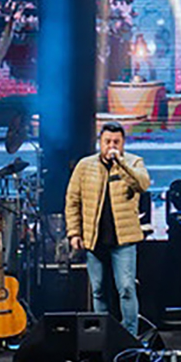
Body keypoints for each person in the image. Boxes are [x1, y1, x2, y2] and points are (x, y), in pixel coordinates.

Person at [65, 121, 151, 336]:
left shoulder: (133, 163)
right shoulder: (85, 166)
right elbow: (73, 201)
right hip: (94, 239)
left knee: (127, 289)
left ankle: (130, 337)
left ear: (123, 143)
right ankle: (102, 336)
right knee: (99, 291)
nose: (111, 146)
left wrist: (121, 163)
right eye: (107, 141)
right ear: (100, 142)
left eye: (116, 142)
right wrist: (74, 233)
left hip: (124, 240)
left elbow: (142, 185)